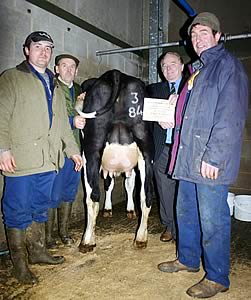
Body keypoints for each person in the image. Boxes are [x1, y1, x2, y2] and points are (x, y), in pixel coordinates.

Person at [157, 12, 249, 298]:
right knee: (186, 214)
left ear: (218, 37)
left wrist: (214, 157)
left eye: (203, 34)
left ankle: (217, 276)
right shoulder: (197, 71)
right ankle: (187, 258)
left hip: (208, 161)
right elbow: (192, 115)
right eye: (194, 36)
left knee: (213, 219)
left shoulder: (227, 67)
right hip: (187, 159)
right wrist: (172, 116)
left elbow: (230, 116)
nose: (197, 40)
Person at [0, 31, 83, 284]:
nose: (44, 52)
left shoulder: (54, 84)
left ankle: (37, 252)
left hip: (49, 161)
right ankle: (19, 265)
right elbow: (1, 114)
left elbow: (61, 125)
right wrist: (3, 148)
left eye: (48, 47)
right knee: (17, 211)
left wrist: (72, 150)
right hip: (21, 160)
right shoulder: (12, 77)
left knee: (39, 208)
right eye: (38, 47)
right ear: (27, 50)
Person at [45, 54, 86, 248]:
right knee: (53, 193)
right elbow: (46, 117)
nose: (69, 70)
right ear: (56, 69)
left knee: (69, 191)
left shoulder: (79, 90)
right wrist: (72, 122)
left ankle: (64, 232)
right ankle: (48, 237)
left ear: (76, 71)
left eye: (72, 67)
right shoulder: (50, 88)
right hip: (57, 150)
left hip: (76, 149)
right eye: (64, 65)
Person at [146, 52, 187, 242]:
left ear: (182, 66)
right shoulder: (154, 89)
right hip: (162, 147)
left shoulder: (192, 87)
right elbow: (143, 113)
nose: (169, 68)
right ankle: (169, 225)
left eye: (173, 64)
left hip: (184, 148)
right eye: (164, 65)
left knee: (185, 189)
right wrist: (157, 118)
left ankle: (185, 228)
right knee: (164, 189)